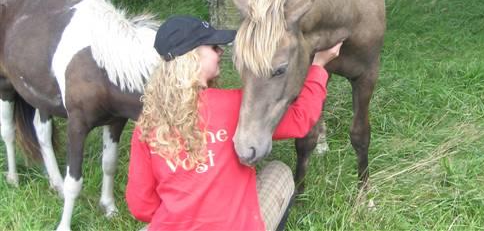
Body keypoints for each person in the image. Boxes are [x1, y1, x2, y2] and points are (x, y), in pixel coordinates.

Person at [125, 15, 341, 231]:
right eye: (213, 47)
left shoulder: (147, 125)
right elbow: (300, 119)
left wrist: (187, 213)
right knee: (280, 171)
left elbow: (141, 206)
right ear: (193, 57)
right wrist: (319, 65)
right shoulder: (234, 105)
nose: (220, 51)